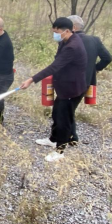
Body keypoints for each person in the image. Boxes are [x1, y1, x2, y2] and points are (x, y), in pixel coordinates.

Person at [20, 17, 87, 162]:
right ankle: (53, 139)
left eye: (57, 32)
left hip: (72, 89)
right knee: (56, 113)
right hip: (64, 87)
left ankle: (60, 151)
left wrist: (32, 79)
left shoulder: (72, 47)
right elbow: (58, 62)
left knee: (64, 120)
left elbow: (55, 66)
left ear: (67, 31)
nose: (55, 34)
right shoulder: (65, 41)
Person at [66, 15, 112, 143]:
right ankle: (71, 137)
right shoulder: (95, 40)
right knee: (69, 108)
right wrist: (95, 69)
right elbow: (107, 58)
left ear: (73, 27)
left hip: (70, 82)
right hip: (86, 82)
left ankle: (70, 137)